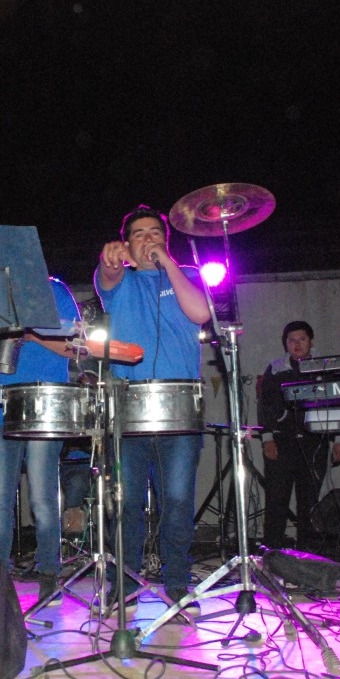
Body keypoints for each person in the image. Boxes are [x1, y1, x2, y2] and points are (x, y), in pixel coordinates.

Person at [96, 204, 211, 609]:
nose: (148, 239)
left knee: (177, 500)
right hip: (129, 406)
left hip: (180, 407)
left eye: (155, 233)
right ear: (127, 244)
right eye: (139, 234)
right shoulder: (120, 282)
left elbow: (201, 312)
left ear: (167, 239)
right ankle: (124, 582)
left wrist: (168, 263)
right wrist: (111, 260)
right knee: (126, 500)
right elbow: (107, 274)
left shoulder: (187, 275)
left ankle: (177, 581)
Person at [0, 277, 81, 605]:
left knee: (42, 497)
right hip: (0, 408)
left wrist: (31, 335)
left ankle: (49, 572)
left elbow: (75, 346)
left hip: (44, 407)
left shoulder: (56, 292)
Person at [257, 321, 340, 552]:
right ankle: (272, 551)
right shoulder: (275, 369)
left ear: (311, 342)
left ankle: (307, 552)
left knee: (309, 500)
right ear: (285, 344)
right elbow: (265, 406)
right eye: (291, 340)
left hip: (314, 443)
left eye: (302, 339)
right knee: (276, 499)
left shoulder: (324, 367)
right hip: (281, 443)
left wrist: (338, 440)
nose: (297, 344)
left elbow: (338, 402)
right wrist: (267, 438)